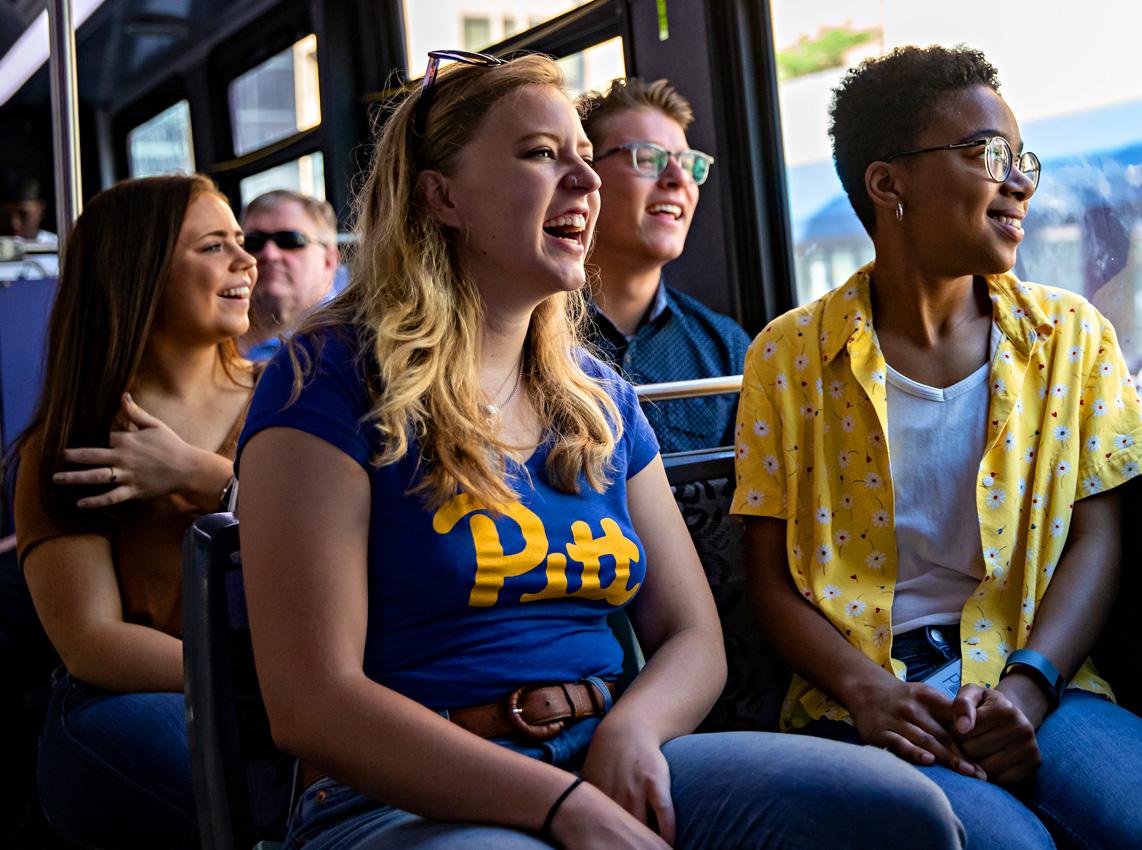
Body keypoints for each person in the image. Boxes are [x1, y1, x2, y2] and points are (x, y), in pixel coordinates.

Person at [235, 51, 963, 850]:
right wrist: (561, 806)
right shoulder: (327, 376)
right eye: (543, 155)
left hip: (603, 747)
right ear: (440, 195)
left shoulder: (598, 397)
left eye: (585, 156)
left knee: (899, 813)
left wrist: (635, 731)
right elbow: (313, 701)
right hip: (404, 794)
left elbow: (693, 637)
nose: (587, 181)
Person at [732, 46, 1142, 850]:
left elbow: (1094, 535)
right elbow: (771, 581)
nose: (1021, 182)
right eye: (987, 155)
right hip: (867, 697)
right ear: (888, 183)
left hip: (1040, 675)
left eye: (1023, 159)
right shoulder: (788, 357)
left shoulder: (1070, 338)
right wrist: (869, 694)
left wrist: (1031, 687)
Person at [8, 173, 259, 850]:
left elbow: (350, 536)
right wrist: (268, 686)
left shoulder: (292, 398)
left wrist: (199, 477)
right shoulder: (72, 439)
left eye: (240, 240)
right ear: (139, 271)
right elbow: (93, 641)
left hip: (291, 680)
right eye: (214, 246)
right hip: (140, 691)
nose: (247, 259)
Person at [576, 78, 749, 453]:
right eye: (648, 157)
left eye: (689, 164)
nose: (677, 179)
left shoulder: (728, 350)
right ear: (585, 175)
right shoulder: (524, 338)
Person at [236, 189, 340, 361]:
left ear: (329, 261)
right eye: (253, 242)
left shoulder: (353, 341)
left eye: (290, 240)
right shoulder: (210, 341)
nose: (270, 254)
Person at [0, 169, 54, 243]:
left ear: (41, 210)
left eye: (23, 214)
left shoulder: (58, 248)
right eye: (6, 216)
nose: (15, 224)